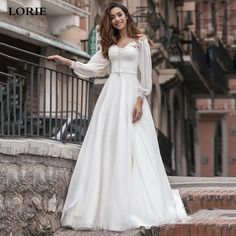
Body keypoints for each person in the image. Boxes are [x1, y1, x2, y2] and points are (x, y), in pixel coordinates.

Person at [47, 1, 188, 232]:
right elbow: (95, 68)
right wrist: (68, 62)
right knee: (108, 146)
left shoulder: (140, 40)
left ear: (126, 16)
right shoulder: (109, 43)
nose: (116, 19)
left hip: (131, 95)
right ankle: (101, 206)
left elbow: (145, 73)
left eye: (119, 15)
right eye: (112, 17)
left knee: (135, 149)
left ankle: (132, 204)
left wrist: (140, 100)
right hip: (111, 96)